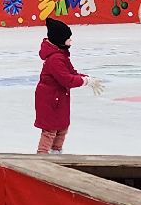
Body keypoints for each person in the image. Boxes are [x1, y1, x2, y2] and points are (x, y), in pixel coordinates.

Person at [34, 17, 101, 154]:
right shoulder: (55, 59)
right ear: (59, 39)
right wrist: (85, 82)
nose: (71, 41)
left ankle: (56, 153)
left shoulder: (61, 55)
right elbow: (66, 80)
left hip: (59, 100)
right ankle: (42, 156)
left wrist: (86, 78)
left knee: (62, 128)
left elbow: (72, 73)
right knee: (50, 130)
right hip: (50, 101)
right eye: (68, 38)